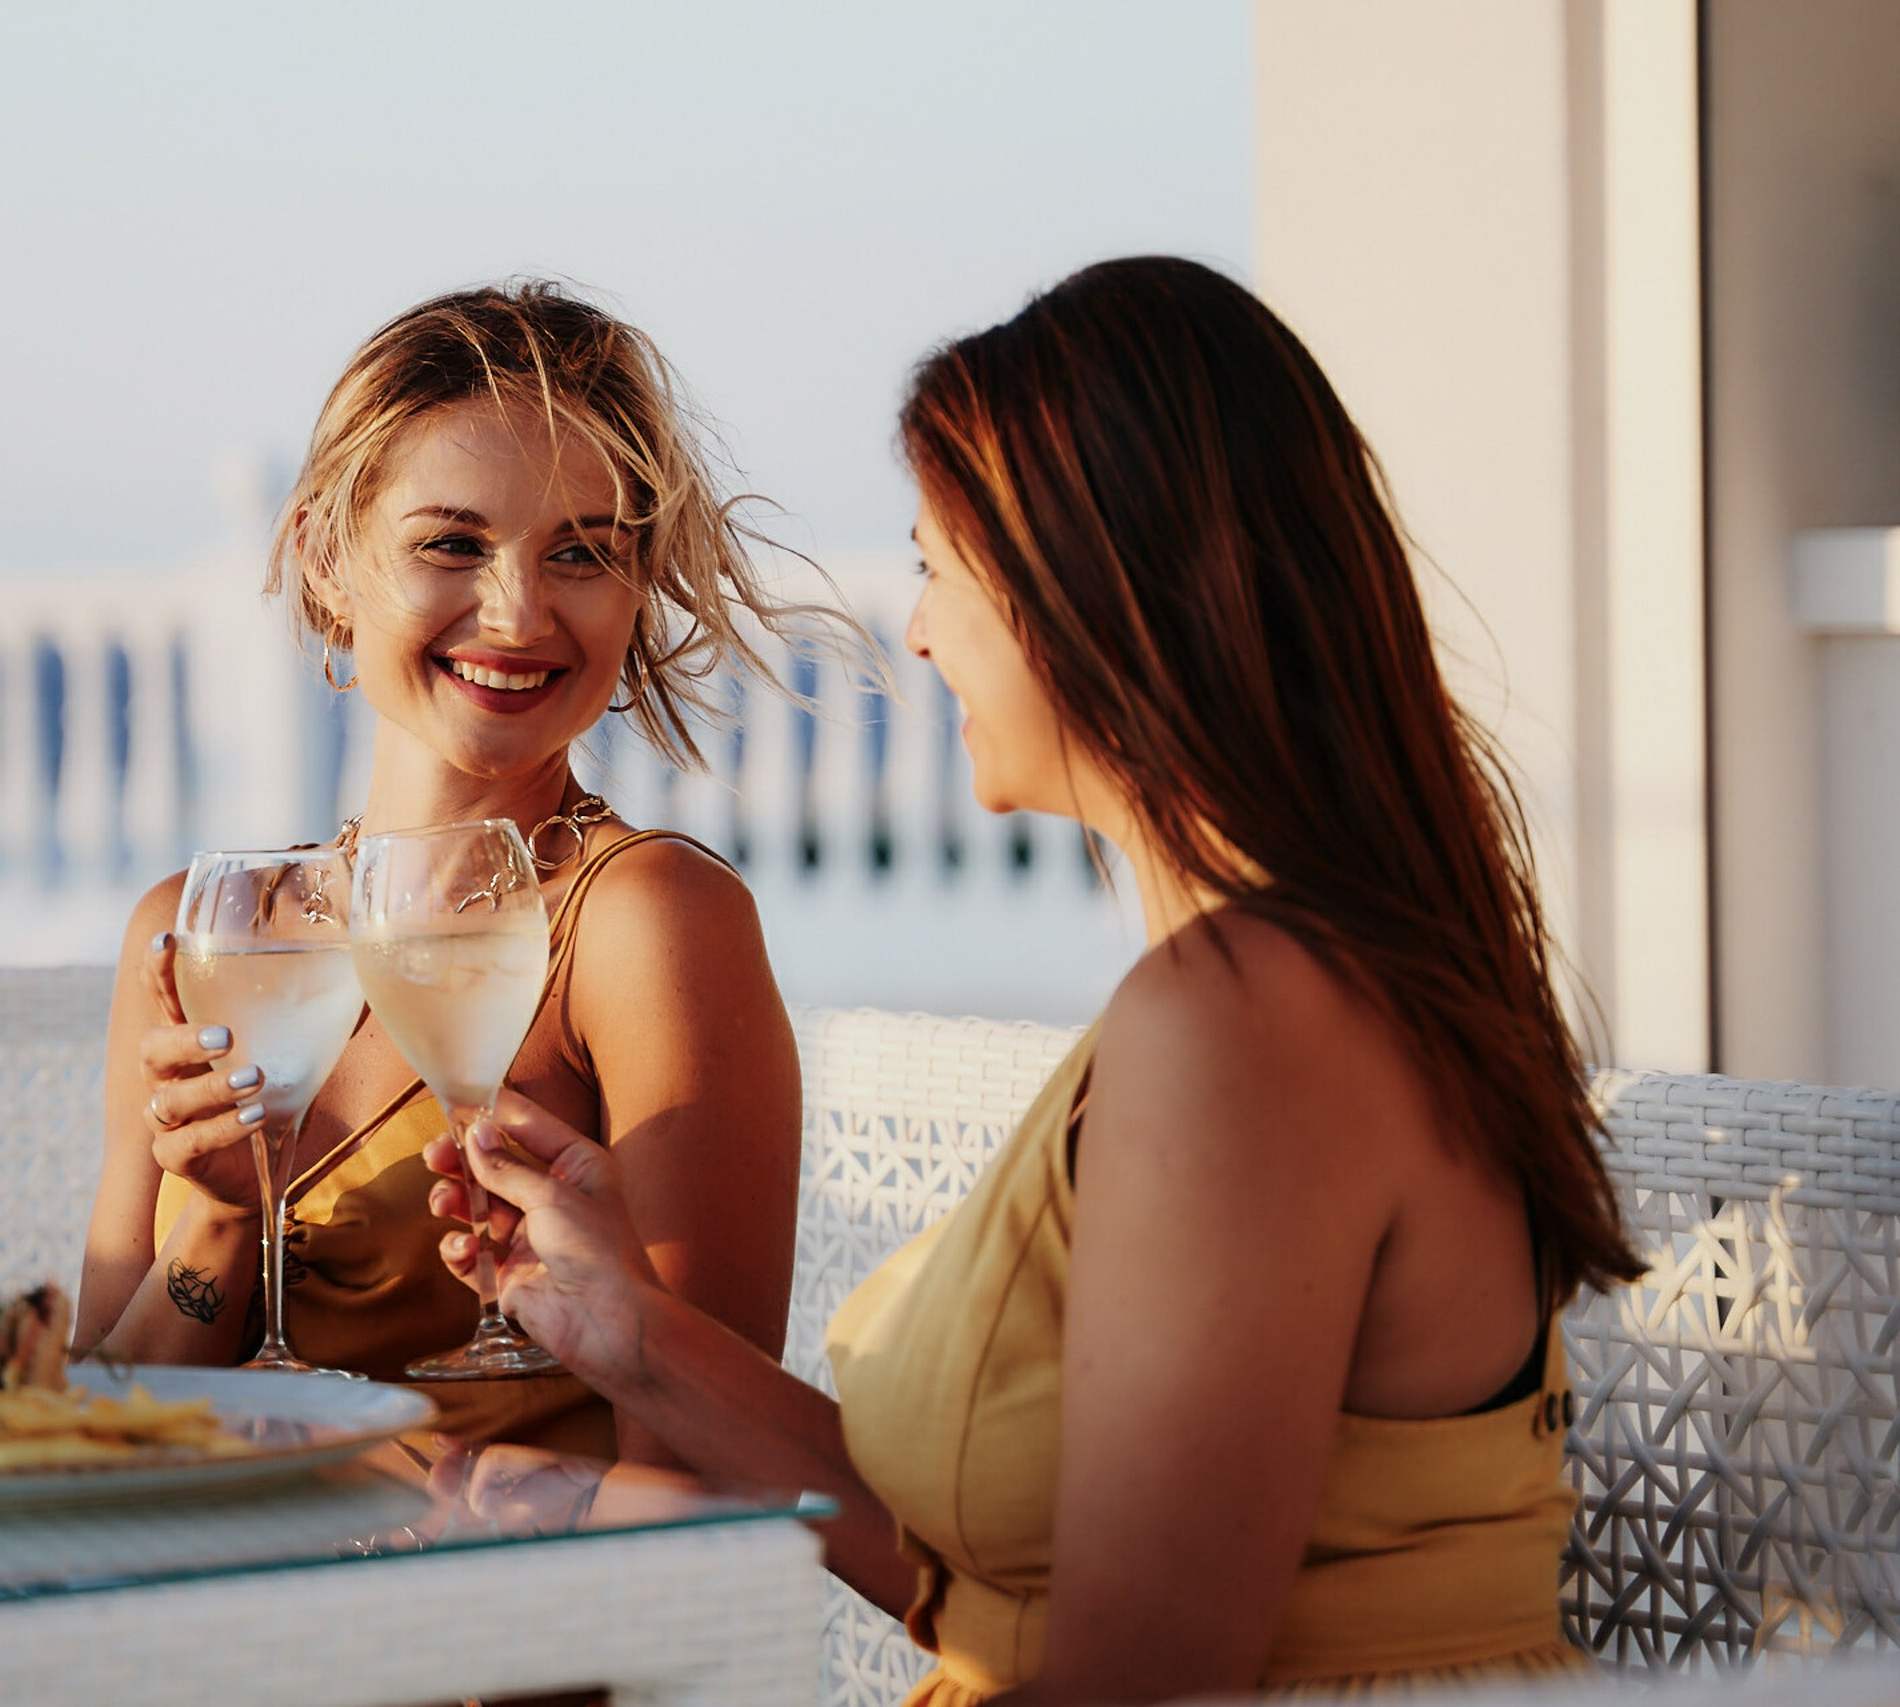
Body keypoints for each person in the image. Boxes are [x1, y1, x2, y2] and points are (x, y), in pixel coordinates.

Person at [426, 257, 1645, 1699]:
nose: (924, 627)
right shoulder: (1278, 981)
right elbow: (1008, 1605)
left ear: (1092, 585)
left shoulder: (1246, 1017)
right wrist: (632, 1332)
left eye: (940, 564)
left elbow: (1141, 1677)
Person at [73, 282, 823, 1461]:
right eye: (451, 545)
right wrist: (220, 1222)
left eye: (582, 553)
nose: (518, 614)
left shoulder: (642, 926)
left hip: (505, 1630)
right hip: (211, 1629)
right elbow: (93, 1441)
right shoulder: (203, 935)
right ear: (327, 559)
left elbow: (706, 1485)